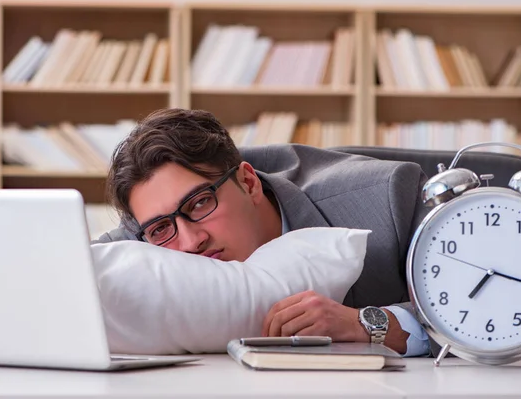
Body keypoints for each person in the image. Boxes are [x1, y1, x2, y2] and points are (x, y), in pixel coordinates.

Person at [94, 108, 432, 356]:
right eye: (162, 228)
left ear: (249, 182)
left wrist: (365, 323)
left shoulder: (388, 199)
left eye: (199, 204)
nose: (190, 242)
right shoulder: (143, 235)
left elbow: (478, 305)